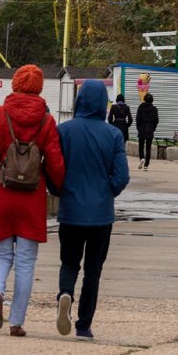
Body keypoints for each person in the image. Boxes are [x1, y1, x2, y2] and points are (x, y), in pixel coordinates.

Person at [0, 64, 66, 337]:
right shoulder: (47, 121)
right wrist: (59, 186)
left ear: (15, 84)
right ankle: (16, 322)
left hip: (1, 192)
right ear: (39, 87)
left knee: (1, 254)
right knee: (26, 262)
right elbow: (55, 161)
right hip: (31, 196)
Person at [55, 79, 130, 339]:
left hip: (71, 210)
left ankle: (65, 294)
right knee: (93, 270)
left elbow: (53, 169)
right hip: (100, 215)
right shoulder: (113, 135)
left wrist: (60, 190)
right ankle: (83, 325)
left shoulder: (63, 131)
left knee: (69, 263)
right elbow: (121, 176)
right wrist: (107, 192)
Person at [135, 93, 158, 170]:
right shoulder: (154, 109)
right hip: (150, 129)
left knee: (141, 146)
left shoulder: (140, 107)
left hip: (142, 128)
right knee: (148, 148)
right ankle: (146, 166)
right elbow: (156, 120)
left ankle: (142, 158)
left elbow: (138, 119)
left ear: (144, 99)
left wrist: (138, 127)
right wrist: (153, 128)